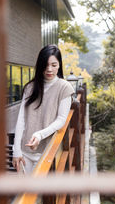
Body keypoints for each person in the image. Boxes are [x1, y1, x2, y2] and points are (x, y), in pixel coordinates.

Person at [12, 44, 75, 174]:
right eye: (45, 65)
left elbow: (61, 120)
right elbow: (21, 119)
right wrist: (16, 150)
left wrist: (40, 134)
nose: (49, 69)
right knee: (24, 192)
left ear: (59, 65)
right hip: (24, 152)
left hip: (47, 152)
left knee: (40, 192)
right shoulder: (30, 87)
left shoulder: (64, 88)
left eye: (54, 65)